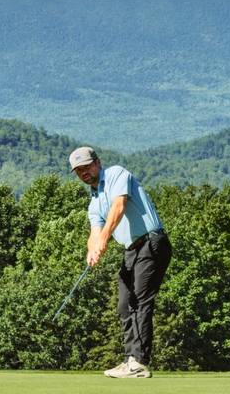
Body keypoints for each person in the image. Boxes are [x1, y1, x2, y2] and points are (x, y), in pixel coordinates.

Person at [70, 146, 172, 379]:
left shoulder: (116, 174)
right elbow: (94, 231)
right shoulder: (94, 200)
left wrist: (105, 238)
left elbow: (119, 206)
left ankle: (140, 362)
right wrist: (92, 251)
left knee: (140, 301)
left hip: (151, 242)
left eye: (86, 166)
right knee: (124, 304)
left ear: (97, 162)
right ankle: (130, 360)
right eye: (78, 171)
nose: (84, 172)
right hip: (131, 249)